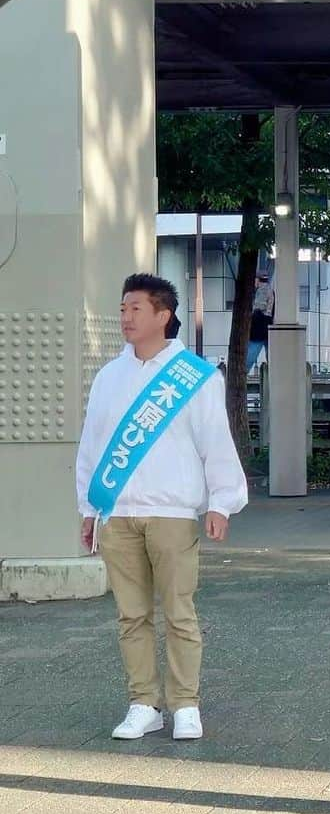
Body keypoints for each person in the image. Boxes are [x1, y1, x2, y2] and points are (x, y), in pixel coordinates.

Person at [75, 273, 248, 741]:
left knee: (179, 610)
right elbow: (92, 447)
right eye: (123, 308)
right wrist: (89, 508)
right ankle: (142, 702)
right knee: (131, 614)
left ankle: (185, 704)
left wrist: (221, 502)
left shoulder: (195, 376)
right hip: (118, 512)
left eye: (135, 308)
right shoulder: (110, 376)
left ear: (163, 315)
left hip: (172, 512)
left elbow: (215, 440)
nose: (125, 317)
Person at [247, 272, 274, 372]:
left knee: (250, 356)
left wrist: (252, 313)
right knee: (271, 355)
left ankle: (243, 373)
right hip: (268, 326)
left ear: (258, 280)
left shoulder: (262, 290)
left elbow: (259, 307)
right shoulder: (270, 290)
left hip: (259, 327)